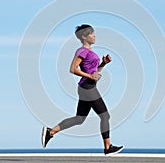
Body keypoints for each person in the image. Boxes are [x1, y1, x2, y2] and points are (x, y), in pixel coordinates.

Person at [41, 24, 124, 156]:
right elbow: (73, 69)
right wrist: (90, 76)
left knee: (79, 119)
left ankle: (50, 132)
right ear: (84, 37)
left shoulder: (90, 52)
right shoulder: (82, 51)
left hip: (87, 87)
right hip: (87, 87)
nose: (94, 36)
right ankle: (107, 147)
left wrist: (103, 64)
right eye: (92, 34)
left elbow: (94, 72)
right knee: (105, 116)